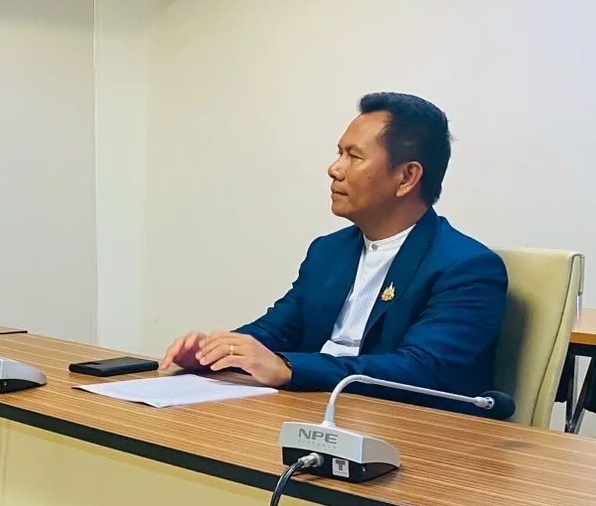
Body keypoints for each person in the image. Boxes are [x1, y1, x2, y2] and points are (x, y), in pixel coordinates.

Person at [160, 92, 508, 413]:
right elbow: (278, 331)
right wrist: (219, 353)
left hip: (410, 431)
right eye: (339, 153)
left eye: (353, 156)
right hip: (318, 413)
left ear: (406, 177)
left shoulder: (466, 267)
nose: (334, 169)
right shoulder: (329, 251)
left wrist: (290, 367)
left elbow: (420, 370)